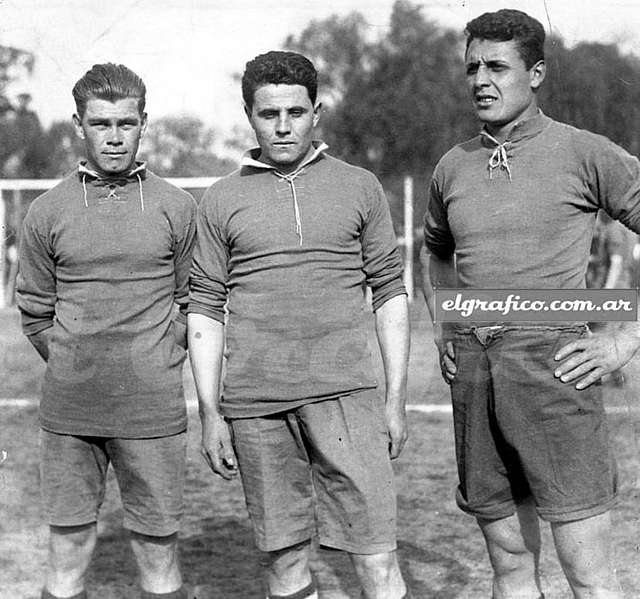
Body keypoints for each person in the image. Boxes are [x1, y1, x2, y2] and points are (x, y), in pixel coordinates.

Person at [421, 9, 640, 599]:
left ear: (537, 73)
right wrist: (447, 327)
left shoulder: (585, 153)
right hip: (473, 369)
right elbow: (435, 254)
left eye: (497, 66)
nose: (481, 81)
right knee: (510, 564)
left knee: (589, 574)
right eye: (472, 68)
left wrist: (625, 337)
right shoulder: (453, 164)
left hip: (552, 365)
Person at [188, 51, 411, 599]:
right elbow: (205, 308)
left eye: (295, 111)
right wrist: (212, 413)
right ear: (249, 115)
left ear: (317, 111)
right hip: (258, 405)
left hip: (347, 398)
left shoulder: (360, 186)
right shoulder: (221, 199)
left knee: (377, 558)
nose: (283, 126)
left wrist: (395, 399)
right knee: (285, 565)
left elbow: (389, 292)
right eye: (269, 114)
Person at [16, 63, 197, 599]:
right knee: (67, 548)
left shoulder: (176, 206)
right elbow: (35, 312)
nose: (114, 137)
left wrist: (157, 359)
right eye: (100, 124)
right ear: (79, 125)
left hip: (152, 408)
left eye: (125, 123)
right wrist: (77, 362)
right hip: (72, 410)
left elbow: (195, 301)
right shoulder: (46, 211)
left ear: (144, 123)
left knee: (157, 551)